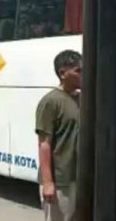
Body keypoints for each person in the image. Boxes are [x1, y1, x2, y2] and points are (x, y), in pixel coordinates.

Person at [35, 50, 82, 221]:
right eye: (78, 71)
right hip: (60, 180)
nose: (83, 75)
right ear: (63, 73)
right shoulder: (50, 102)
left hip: (78, 177)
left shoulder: (82, 99)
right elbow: (44, 144)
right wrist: (48, 183)